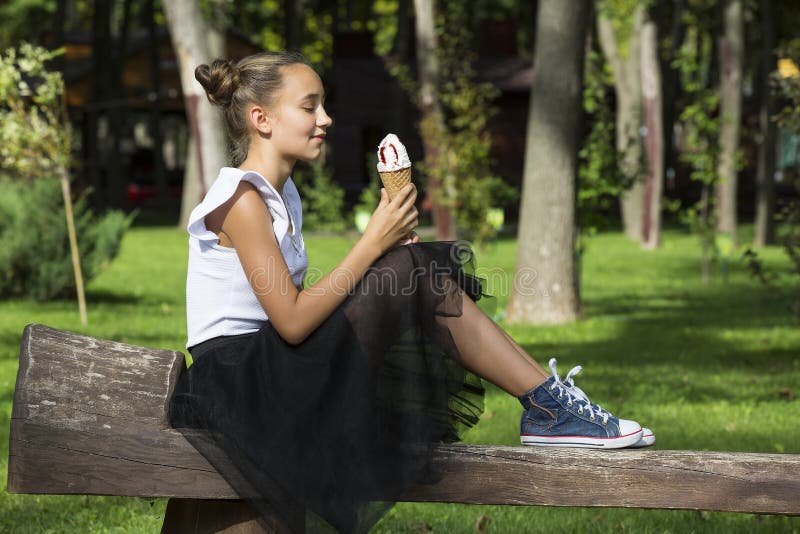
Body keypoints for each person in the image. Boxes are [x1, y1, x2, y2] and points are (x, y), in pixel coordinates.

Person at [169, 51, 653, 534]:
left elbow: (300, 313)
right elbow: (293, 321)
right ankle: (550, 407)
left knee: (409, 269)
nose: (326, 119)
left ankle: (548, 404)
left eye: (323, 106)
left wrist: (383, 265)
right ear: (262, 119)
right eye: (310, 107)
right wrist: (373, 244)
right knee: (407, 266)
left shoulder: (282, 195)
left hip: (267, 369)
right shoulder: (242, 200)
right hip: (239, 385)